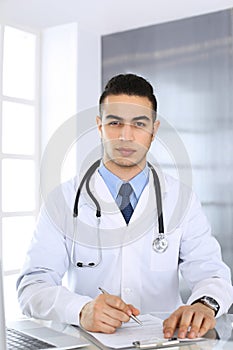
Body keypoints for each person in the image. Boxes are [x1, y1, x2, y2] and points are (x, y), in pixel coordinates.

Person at [17, 73, 233, 339]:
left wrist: (204, 305)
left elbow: (211, 272)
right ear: (99, 126)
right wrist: (79, 309)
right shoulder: (62, 200)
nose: (126, 136)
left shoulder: (182, 198)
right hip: (89, 343)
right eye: (115, 122)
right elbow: (32, 286)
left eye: (139, 124)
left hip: (166, 342)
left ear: (154, 130)